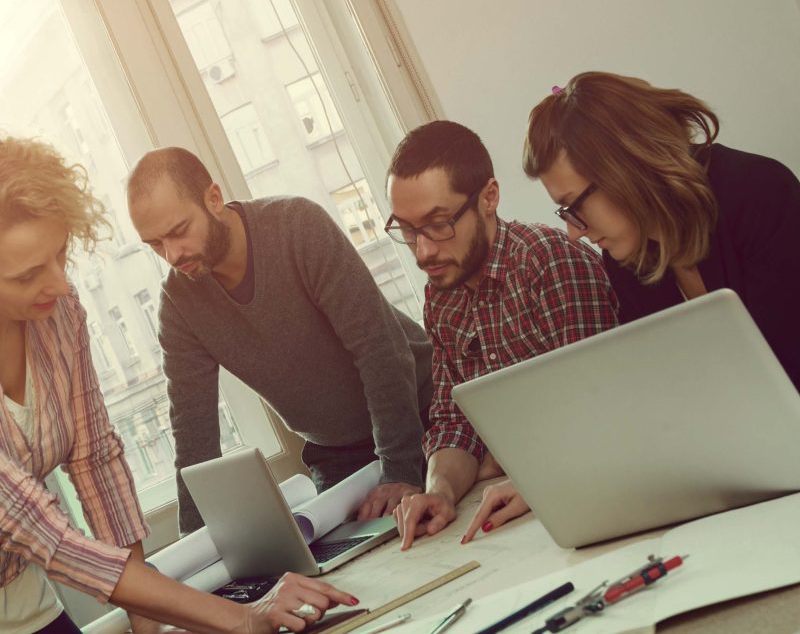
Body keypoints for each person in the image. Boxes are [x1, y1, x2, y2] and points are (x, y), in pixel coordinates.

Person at [0, 130, 355, 634]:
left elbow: (94, 457)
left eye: (60, 254)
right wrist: (242, 620)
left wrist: (150, 624)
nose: (59, 283)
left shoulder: (58, 311)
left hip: (5, 584)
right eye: (27, 273)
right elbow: (34, 526)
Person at [466, 70, 800, 542]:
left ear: (625, 167)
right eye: (564, 215)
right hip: (747, 484)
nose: (574, 232)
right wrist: (557, 480)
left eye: (573, 207)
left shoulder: (759, 193)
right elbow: (656, 398)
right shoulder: (626, 255)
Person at [126, 147, 434, 534]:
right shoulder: (178, 301)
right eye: (155, 244)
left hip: (421, 411)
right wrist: (196, 545)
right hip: (337, 455)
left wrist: (401, 470)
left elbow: (381, 351)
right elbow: (193, 432)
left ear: (213, 199)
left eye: (178, 231)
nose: (171, 254)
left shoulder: (297, 225)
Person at [385, 120, 619, 549]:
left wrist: (503, 460)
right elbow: (455, 423)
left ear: (489, 197)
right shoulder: (442, 295)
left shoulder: (550, 263)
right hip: (523, 499)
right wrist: (440, 490)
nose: (423, 251)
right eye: (407, 230)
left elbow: (600, 412)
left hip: (594, 490)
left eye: (438, 224)